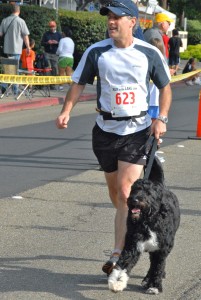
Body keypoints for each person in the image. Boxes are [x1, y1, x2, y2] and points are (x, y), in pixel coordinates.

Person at [56, 0, 172, 275]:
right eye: (109, 16)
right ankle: (131, 223)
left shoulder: (148, 53)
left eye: (118, 17)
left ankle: (120, 253)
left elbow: (166, 88)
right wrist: (66, 111)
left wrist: (162, 118)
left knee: (124, 191)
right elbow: (78, 82)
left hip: (137, 130)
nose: (111, 21)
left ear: (133, 22)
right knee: (116, 193)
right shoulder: (97, 52)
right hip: (105, 131)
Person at [0, 4, 30, 95]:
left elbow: (0, 34)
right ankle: (15, 90)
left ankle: (4, 88)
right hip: (16, 49)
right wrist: (28, 47)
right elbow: (25, 36)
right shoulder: (21, 21)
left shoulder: (5, 20)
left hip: (7, 49)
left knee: (7, 69)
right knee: (15, 70)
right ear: (19, 11)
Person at [41, 20, 62, 89]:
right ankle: (46, 84)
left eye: (53, 27)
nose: (52, 28)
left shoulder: (59, 35)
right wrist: (47, 42)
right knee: (47, 68)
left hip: (55, 54)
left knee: (54, 68)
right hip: (47, 53)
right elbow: (42, 43)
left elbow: (62, 44)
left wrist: (57, 43)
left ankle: (52, 85)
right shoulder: (46, 34)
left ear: (56, 27)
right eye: (50, 27)